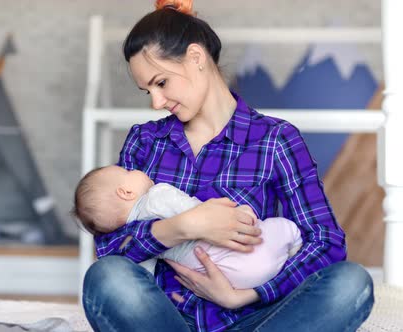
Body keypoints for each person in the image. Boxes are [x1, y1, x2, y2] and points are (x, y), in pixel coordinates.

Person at [81, 1, 375, 331]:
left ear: (196, 58)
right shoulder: (146, 141)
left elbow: (326, 242)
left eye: (161, 83)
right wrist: (184, 226)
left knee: (351, 283)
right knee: (106, 277)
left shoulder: (275, 139)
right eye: (147, 90)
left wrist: (247, 295)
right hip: (165, 320)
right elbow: (110, 246)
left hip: (251, 320)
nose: (155, 102)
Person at [73, 165, 303, 289]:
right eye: (127, 172)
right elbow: (201, 212)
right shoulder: (158, 194)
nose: (134, 170)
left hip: (232, 279)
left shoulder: (133, 237)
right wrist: (236, 214)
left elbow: (141, 278)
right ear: (126, 192)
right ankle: (294, 244)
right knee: (281, 227)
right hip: (247, 252)